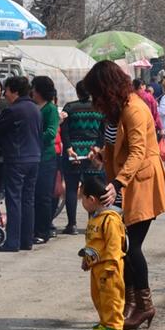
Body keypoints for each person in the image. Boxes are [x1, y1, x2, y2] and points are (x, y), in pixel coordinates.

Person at [84, 60, 165, 330]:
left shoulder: (134, 109)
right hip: (123, 184)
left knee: (130, 247)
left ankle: (144, 305)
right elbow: (116, 146)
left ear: (107, 89)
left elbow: (137, 151)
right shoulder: (116, 110)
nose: (94, 100)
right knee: (122, 247)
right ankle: (130, 304)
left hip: (140, 184)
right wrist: (101, 156)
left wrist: (119, 182)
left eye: (96, 93)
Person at [0, 75, 40, 251]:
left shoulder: (13, 111)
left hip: (17, 159)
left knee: (14, 200)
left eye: (5, 90)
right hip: (34, 158)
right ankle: (26, 240)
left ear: (14, 91)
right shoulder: (35, 109)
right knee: (28, 200)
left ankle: (12, 242)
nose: (4, 94)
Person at [78, 174, 127, 330]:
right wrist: (86, 259)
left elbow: (114, 245)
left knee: (111, 296)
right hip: (96, 266)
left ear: (91, 199)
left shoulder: (110, 220)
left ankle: (115, 324)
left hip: (109, 267)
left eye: (82, 199)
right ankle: (105, 320)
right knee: (98, 295)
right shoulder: (96, 218)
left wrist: (112, 265)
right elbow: (93, 242)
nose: (82, 203)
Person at [60, 80, 104, 235]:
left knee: (71, 189)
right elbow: (103, 132)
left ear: (77, 92)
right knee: (92, 188)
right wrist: (97, 147)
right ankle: (93, 222)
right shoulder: (99, 108)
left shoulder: (70, 108)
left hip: (74, 153)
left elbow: (64, 131)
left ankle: (71, 224)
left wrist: (68, 148)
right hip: (92, 153)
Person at [31, 75, 61, 244]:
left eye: (34, 88)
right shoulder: (35, 106)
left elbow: (51, 133)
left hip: (47, 158)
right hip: (35, 157)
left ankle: (43, 230)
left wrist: (33, 136)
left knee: (43, 196)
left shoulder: (50, 109)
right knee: (34, 196)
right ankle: (35, 228)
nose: (32, 91)